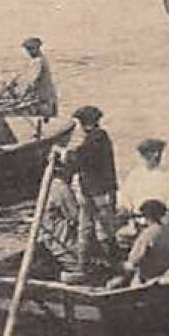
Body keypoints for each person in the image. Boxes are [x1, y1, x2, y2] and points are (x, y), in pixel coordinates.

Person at [58, 105, 117, 270]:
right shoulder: (95, 138)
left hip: (100, 191)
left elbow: (83, 157)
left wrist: (65, 155)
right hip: (89, 191)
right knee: (86, 227)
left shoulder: (98, 138)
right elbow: (80, 159)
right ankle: (85, 262)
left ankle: (109, 262)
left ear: (86, 123)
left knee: (104, 227)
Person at [117, 138, 169, 215]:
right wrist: (126, 207)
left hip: (162, 217)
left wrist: (167, 207)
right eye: (151, 152)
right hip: (138, 217)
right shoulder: (135, 175)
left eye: (159, 152)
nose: (156, 156)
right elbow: (125, 198)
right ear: (143, 155)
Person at [0, 37, 58, 117]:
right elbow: (25, 78)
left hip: (43, 100)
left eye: (31, 49)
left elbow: (29, 82)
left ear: (37, 48)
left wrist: (18, 92)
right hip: (45, 98)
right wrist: (14, 83)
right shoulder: (37, 61)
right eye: (28, 49)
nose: (29, 52)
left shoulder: (38, 62)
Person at [120, 198, 169, 286]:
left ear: (146, 216)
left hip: (149, 278)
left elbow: (134, 260)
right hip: (168, 271)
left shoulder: (147, 234)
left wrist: (120, 266)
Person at [36, 177, 83, 281]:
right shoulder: (61, 187)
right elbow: (76, 217)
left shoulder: (49, 184)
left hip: (48, 239)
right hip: (60, 243)